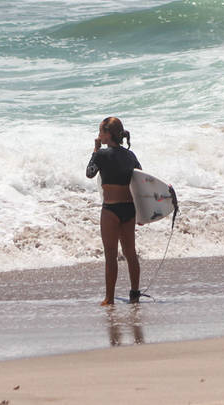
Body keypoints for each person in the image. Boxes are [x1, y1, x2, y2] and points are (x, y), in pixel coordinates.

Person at [86, 116, 141, 305]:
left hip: (111, 209)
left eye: (101, 131)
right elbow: (141, 182)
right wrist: (143, 212)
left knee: (111, 255)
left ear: (108, 134)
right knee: (130, 253)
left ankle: (109, 298)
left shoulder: (101, 155)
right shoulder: (130, 156)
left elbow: (90, 172)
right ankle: (135, 294)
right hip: (129, 209)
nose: (99, 135)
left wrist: (95, 151)